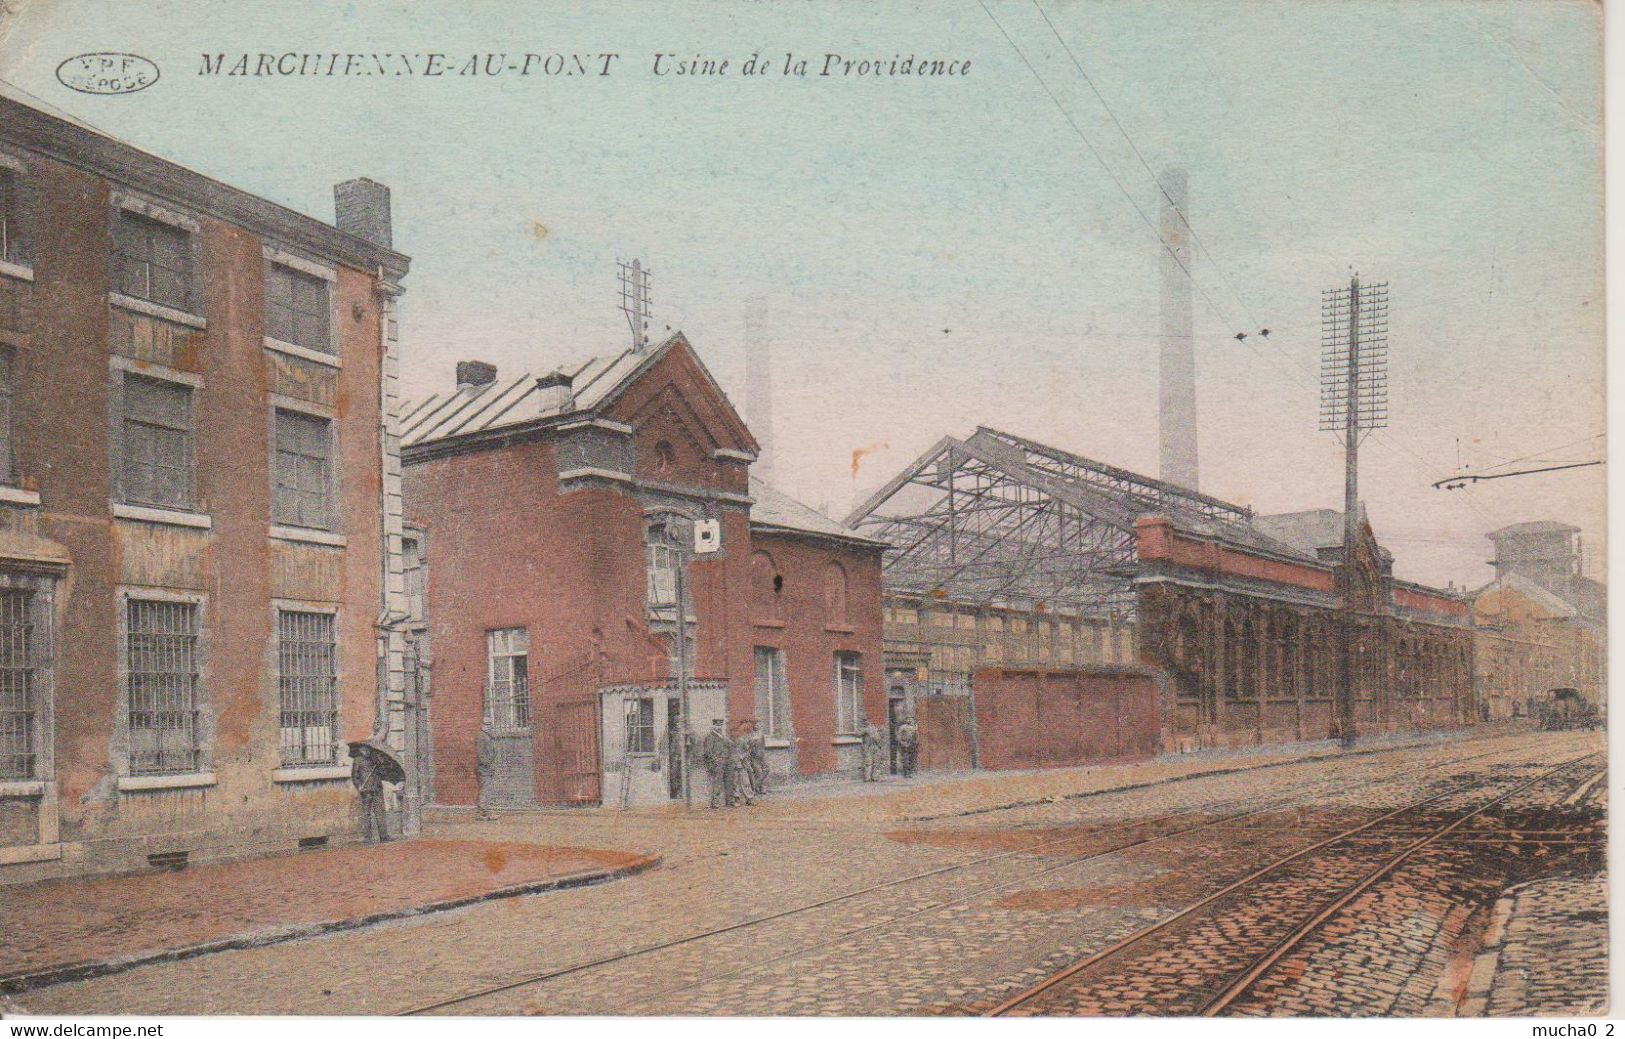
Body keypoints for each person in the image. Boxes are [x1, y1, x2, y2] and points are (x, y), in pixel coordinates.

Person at [350, 743, 390, 844]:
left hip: (377, 789)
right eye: (364, 749)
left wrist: (381, 763)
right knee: (366, 814)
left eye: (368, 749)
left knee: (380, 812)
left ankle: (383, 836)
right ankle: (367, 837)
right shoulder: (357, 760)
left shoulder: (376, 759)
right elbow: (355, 776)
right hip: (366, 791)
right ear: (361, 749)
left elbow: (383, 772)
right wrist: (359, 786)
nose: (366, 751)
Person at [701, 719, 731, 809]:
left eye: (721, 725)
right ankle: (714, 802)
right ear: (713, 726)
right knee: (716, 783)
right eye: (717, 725)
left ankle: (723, 801)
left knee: (722, 783)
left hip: (723, 762)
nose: (719, 727)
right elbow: (708, 752)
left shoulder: (722, 736)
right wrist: (716, 760)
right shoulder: (710, 737)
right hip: (715, 763)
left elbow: (728, 746)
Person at [475, 725, 498, 821]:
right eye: (488, 724)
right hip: (484, 768)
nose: (490, 727)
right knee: (485, 789)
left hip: (487, 767)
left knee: (487, 789)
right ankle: (482, 813)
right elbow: (481, 755)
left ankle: (485, 811)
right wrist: (488, 764)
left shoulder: (488, 736)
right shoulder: (482, 737)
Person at [729, 722, 755, 806]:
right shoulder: (729, 742)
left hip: (742, 765)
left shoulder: (742, 741)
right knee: (734, 783)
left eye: (736, 731)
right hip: (733, 765)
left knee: (745, 782)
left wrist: (742, 756)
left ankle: (749, 798)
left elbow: (747, 751)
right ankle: (737, 800)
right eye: (732, 731)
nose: (734, 733)